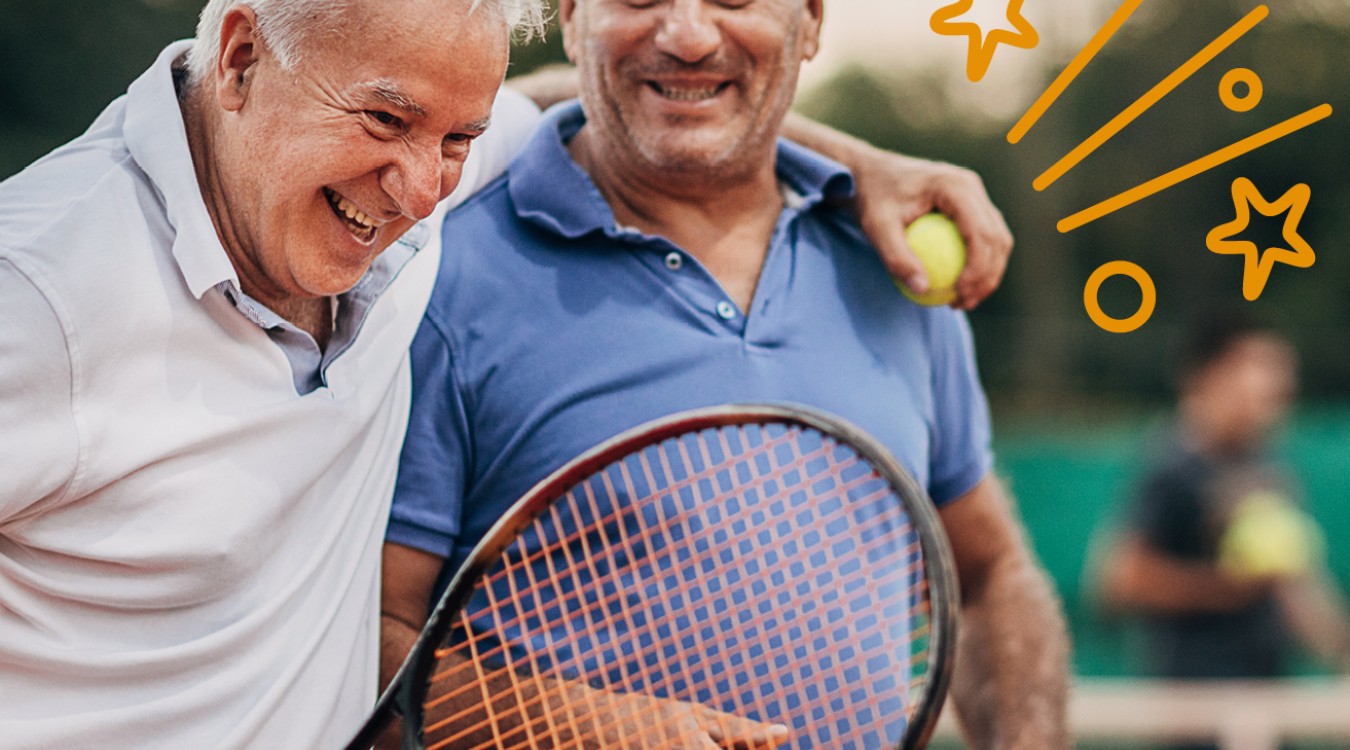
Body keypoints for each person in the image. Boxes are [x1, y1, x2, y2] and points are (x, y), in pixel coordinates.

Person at [0, 0, 1017, 747]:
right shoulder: (38, 293)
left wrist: (855, 159)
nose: (417, 187)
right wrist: (599, 728)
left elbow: (631, 104)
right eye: (386, 121)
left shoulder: (407, 197)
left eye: (458, 138)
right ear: (239, 58)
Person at [381, 0, 1071, 747]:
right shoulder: (432, 282)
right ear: (572, 16)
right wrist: (598, 731)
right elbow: (375, 647)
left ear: (810, 20)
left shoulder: (894, 263)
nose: (688, 35)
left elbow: (988, 575)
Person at [1094, 315, 1350, 747]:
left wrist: (1340, 650)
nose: (1277, 386)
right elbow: (1120, 580)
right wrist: (1229, 588)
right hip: (1196, 711)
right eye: (1260, 368)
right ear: (1211, 375)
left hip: (1265, 704)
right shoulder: (1171, 465)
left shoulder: (1269, 467)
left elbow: (1295, 586)